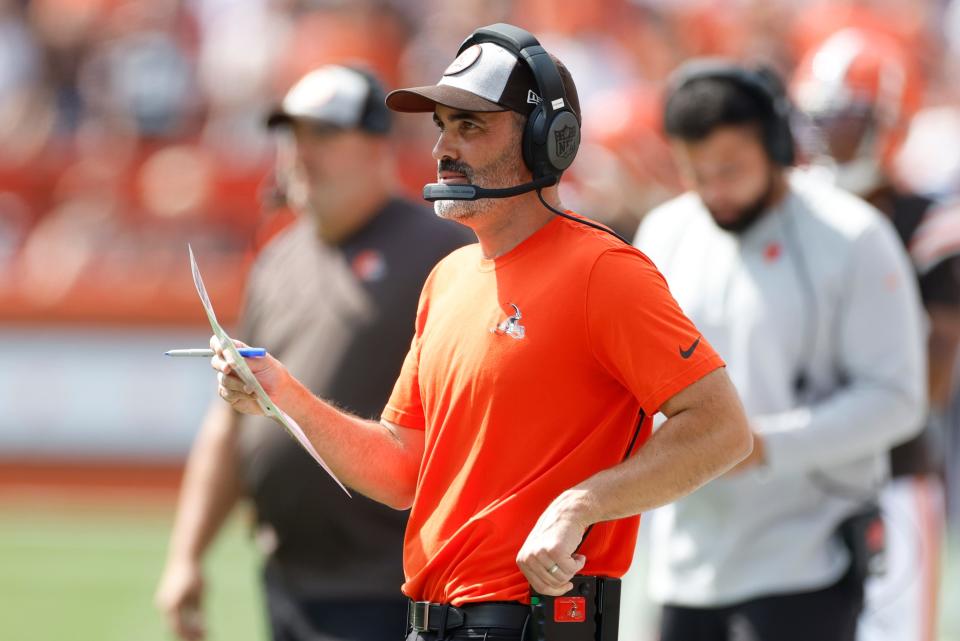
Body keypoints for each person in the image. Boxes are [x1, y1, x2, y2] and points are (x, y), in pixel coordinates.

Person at [208, 23, 753, 641]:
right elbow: (402, 471)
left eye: (471, 125)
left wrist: (583, 504)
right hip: (429, 623)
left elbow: (720, 427)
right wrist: (284, 396)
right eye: (442, 125)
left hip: (531, 621)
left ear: (552, 139)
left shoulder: (604, 271)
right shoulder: (448, 278)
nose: (445, 145)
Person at [155, 65, 472, 641]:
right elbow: (229, 425)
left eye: (323, 135)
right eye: (292, 135)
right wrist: (186, 555)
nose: (300, 153)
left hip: (396, 587)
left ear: (378, 144)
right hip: (290, 581)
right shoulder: (278, 257)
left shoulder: (444, 251)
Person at [634, 60, 927, 641]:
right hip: (683, 566)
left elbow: (896, 399)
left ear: (778, 144)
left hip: (807, 562)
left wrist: (761, 446)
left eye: (731, 169)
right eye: (696, 173)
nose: (715, 190)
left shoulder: (854, 235)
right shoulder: (662, 233)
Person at [792, 27, 960, 641]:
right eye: (819, 116)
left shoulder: (930, 225)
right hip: (796, 480)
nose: (827, 134)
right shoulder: (790, 213)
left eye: (846, 119)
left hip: (891, 477)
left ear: (891, 119)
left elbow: (930, 387)